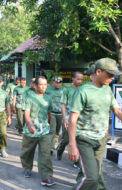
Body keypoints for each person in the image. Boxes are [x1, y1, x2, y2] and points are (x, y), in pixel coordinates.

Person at [68, 58, 122, 190]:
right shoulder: (83, 91)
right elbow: (72, 119)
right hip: (84, 139)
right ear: (98, 71)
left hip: (101, 138)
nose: (112, 77)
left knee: (93, 173)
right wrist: (72, 145)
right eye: (109, 74)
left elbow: (116, 110)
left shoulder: (107, 90)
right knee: (91, 178)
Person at [20, 76, 56, 186]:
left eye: (45, 84)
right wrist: (30, 124)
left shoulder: (48, 98)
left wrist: (48, 124)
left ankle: (46, 177)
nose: (44, 87)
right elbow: (26, 113)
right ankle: (27, 167)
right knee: (27, 152)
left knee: (45, 154)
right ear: (35, 85)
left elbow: (49, 113)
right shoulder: (29, 97)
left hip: (44, 131)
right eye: (41, 84)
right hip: (30, 131)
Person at [57, 72, 83, 164]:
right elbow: (63, 105)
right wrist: (64, 119)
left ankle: (76, 161)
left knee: (78, 140)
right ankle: (60, 150)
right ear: (73, 79)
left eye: (81, 79)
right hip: (68, 117)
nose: (80, 81)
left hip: (79, 119)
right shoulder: (67, 90)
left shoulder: (82, 90)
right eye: (78, 79)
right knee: (66, 140)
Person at [46, 76, 64, 153]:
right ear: (53, 82)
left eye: (59, 83)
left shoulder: (64, 90)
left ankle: (55, 143)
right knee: (52, 130)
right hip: (51, 113)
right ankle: (50, 147)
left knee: (57, 130)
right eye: (56, 82)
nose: (58, 84)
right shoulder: (48, 89)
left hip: (60, 113)